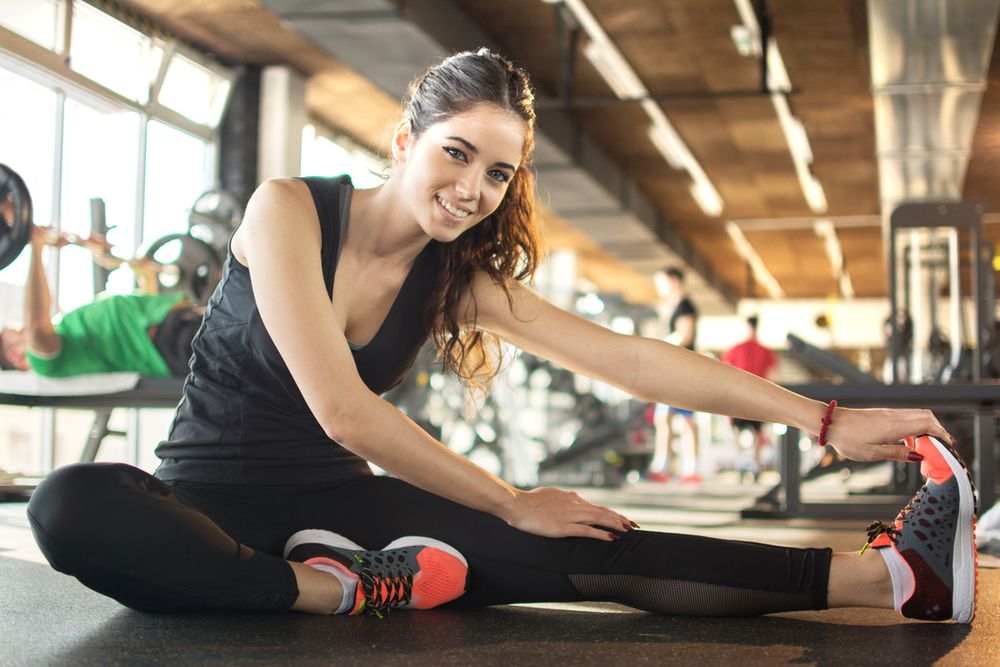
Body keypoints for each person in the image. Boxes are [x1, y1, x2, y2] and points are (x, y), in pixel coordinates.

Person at [25, 49, 976, 623]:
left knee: (596, 546)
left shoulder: (457, 278)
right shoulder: (288, 212)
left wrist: (822, 418)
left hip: (337, 510)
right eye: (456, 153)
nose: (474, 190)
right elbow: (345, 411)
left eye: (498, 174)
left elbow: (635, 359)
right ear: (404, 142)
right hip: (203, 508)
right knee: (69, 506)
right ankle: (333, 592)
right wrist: (510, 498)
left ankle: (892, 580)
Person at [0, 226, 201, 377]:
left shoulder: (65, 328)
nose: (24, 326)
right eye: (19, 332)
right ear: (17, 355)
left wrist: (141, 273)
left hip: (175, 323)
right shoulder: (42, 362)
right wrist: (37, 246)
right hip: (170, 340)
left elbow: (134, 315)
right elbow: (36, 325)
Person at [648, 266, 701, 483]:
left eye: (662, 282)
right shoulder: (675, 306)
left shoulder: (685, 306)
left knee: (684, 421)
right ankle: (666, 466)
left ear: (674, 281)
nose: (659, 287)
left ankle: (688, 469)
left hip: (682, 371)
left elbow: (685, 335)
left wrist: (658, 347)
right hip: (678, 369)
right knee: (666, 419)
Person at [721, 315, 777, 481]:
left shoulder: (735, 349)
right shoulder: (765, 351)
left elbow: (726, 373)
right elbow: (773, 376)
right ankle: (755, 465)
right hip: (758, 397)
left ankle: (740, 464)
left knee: (738, 432)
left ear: (747, 326)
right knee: (757, 433)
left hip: (739, 396)